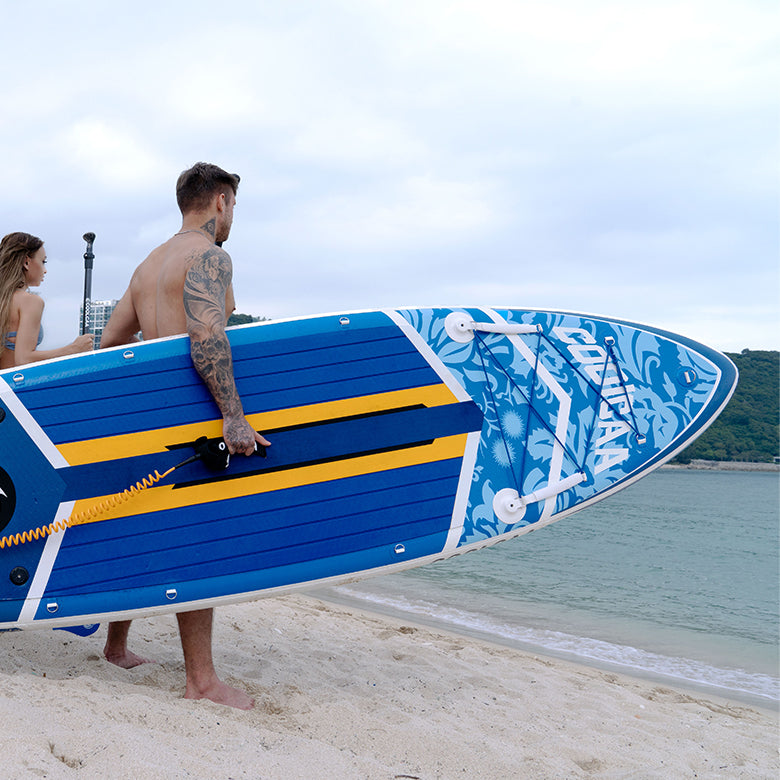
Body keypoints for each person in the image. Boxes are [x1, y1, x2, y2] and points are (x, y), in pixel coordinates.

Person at [100, 162, 271, 710]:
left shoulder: (147, 266)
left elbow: (112, 346)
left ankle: (116, 645)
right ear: (220, 201)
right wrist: (234, 414)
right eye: (235, 207)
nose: (233, 218)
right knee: (197, 542)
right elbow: (206, 340)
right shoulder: (210, 255)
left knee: (137, 521)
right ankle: (201, 681)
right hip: (191, 415)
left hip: (147, 419)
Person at [0, 232, 93, 369]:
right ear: (26, 262)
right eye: (43, 262)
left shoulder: (5, 301)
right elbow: (24, 359)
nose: (45, 270)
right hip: (14, 387)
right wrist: (74, 348)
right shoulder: (30, 301)